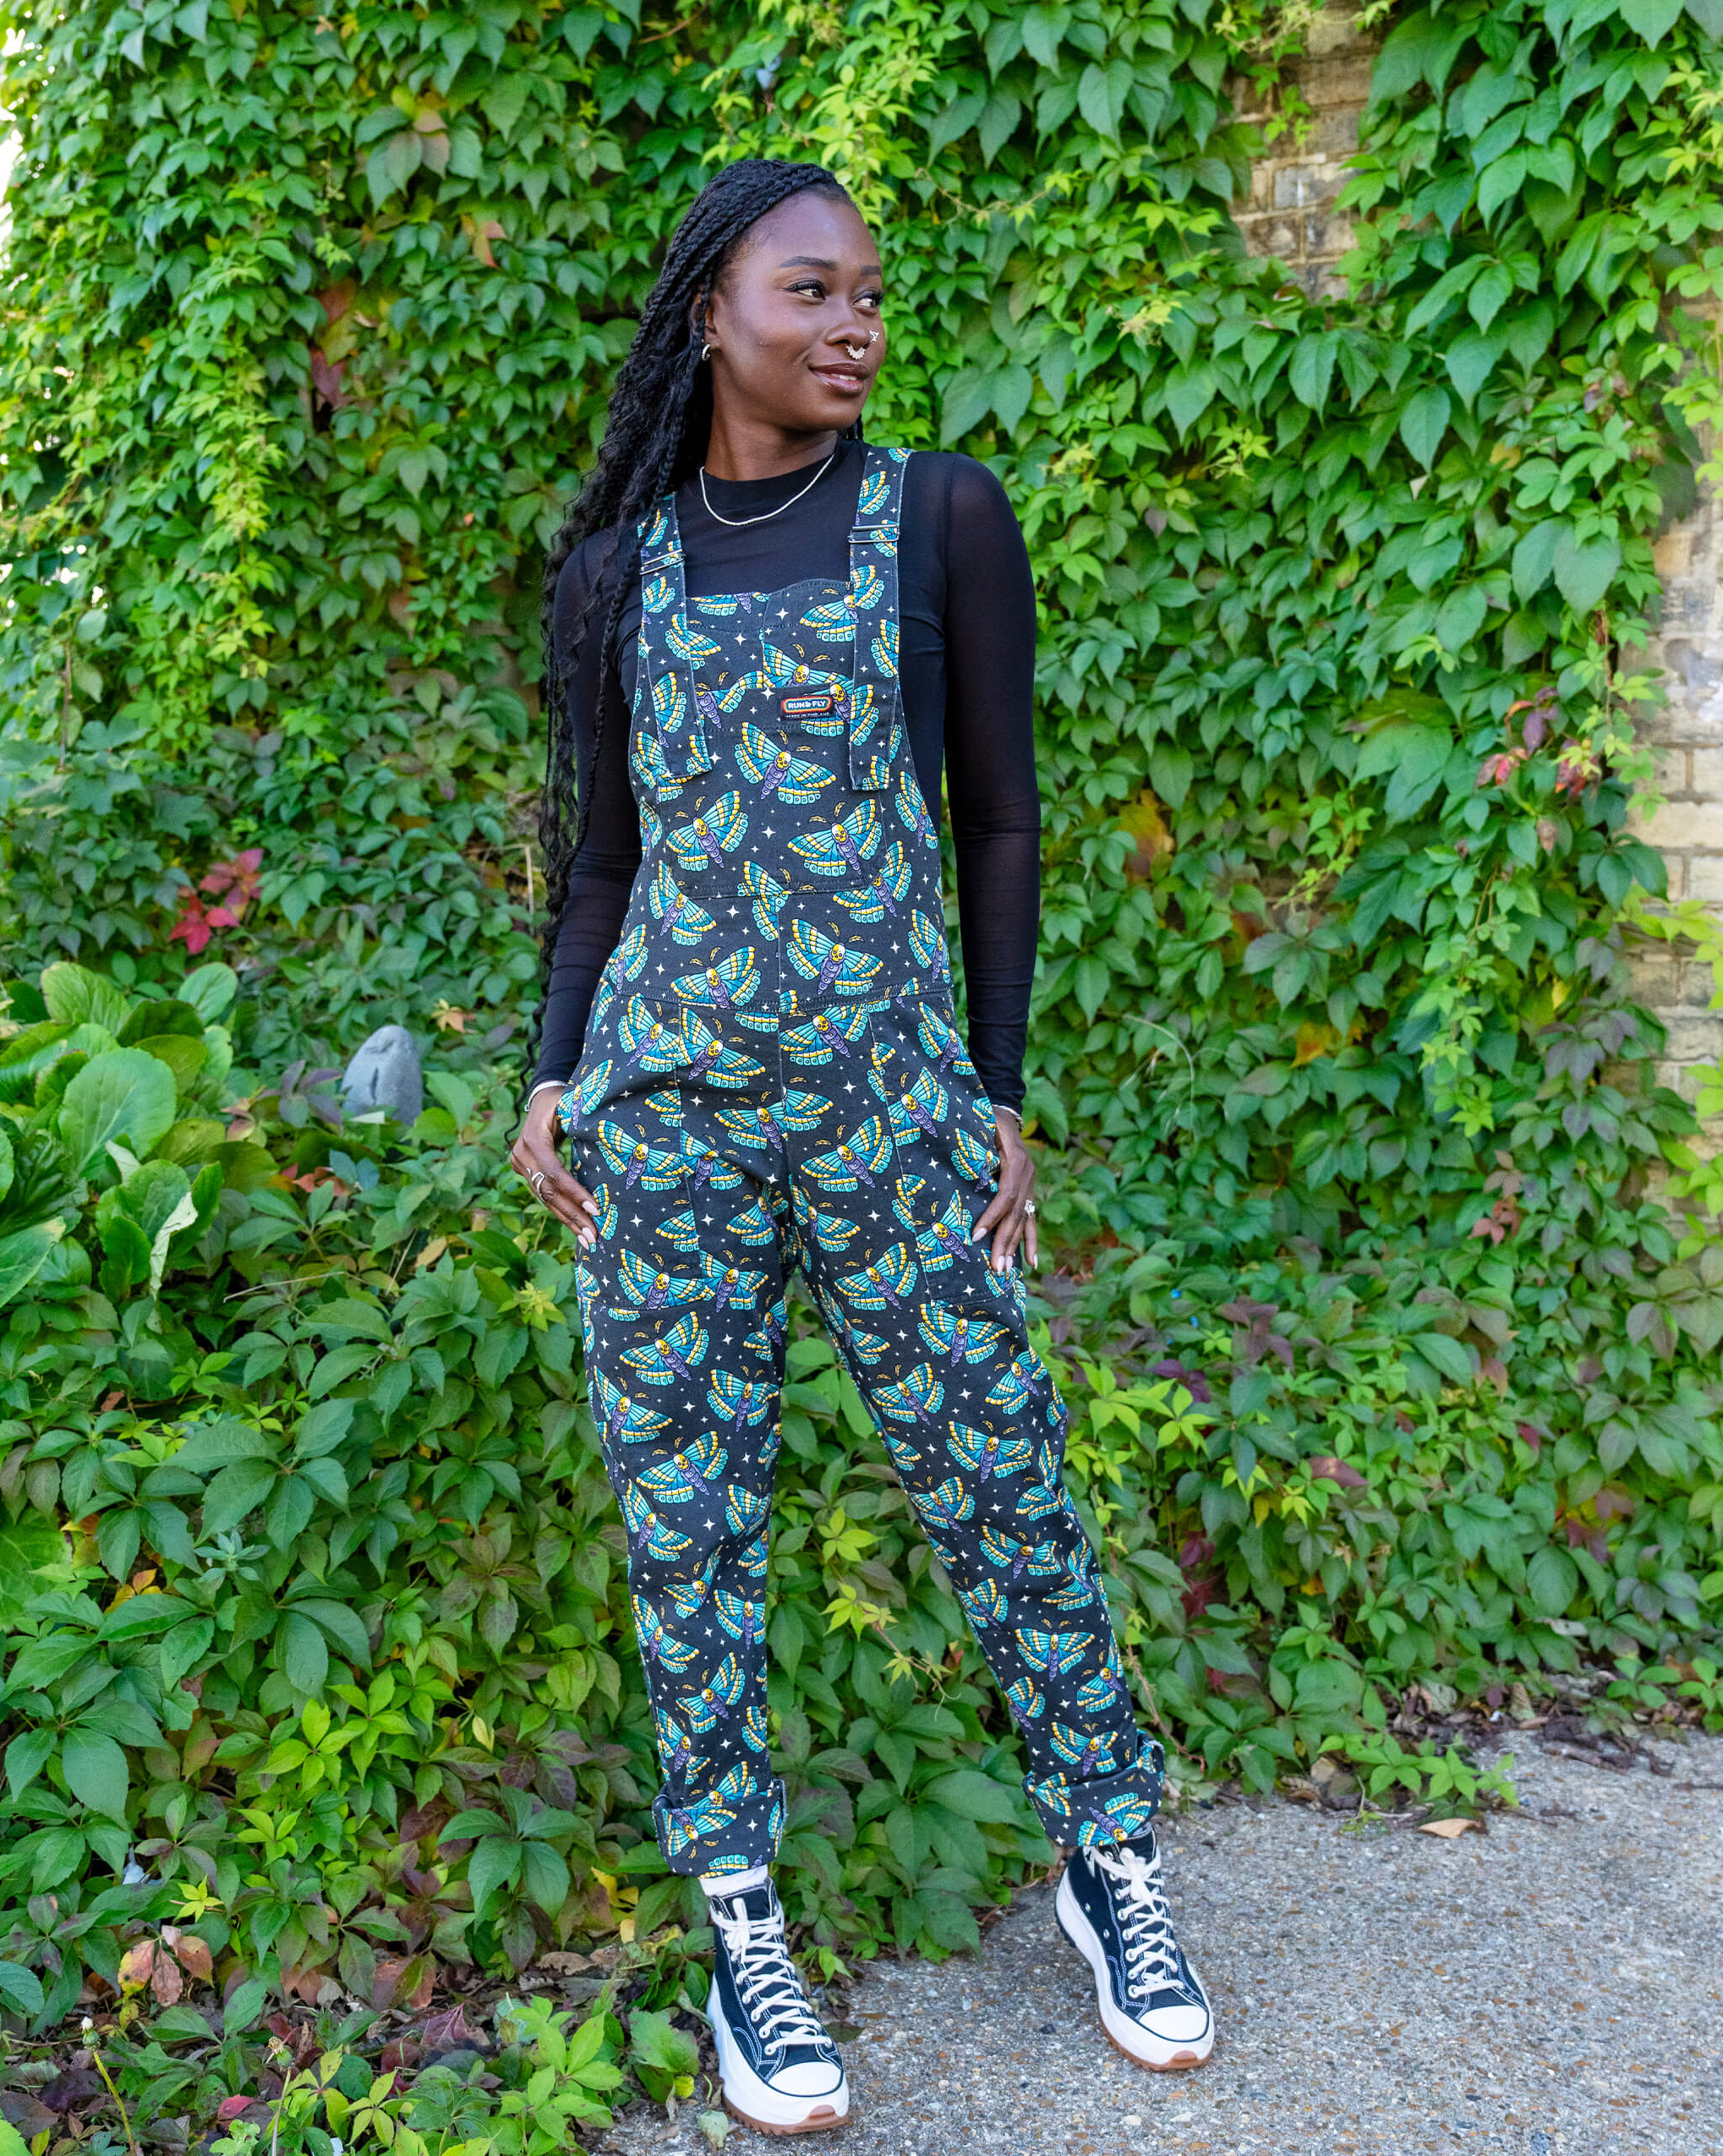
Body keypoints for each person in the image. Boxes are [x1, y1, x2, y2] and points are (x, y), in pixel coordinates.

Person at [509, 156, 1212, 2134]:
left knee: (1005, 1475)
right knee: (690, 1527)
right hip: (666, 1127)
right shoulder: (619, 575)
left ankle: (1107, 1857)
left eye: (870, 297)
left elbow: (1002, 818)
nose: (854, 327)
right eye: (811, 292)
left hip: (895, 1113)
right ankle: (743, 1926)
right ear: (711, 315)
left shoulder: (938, 517)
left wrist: (997, 1086)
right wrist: (552, 1072)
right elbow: (604, 863)